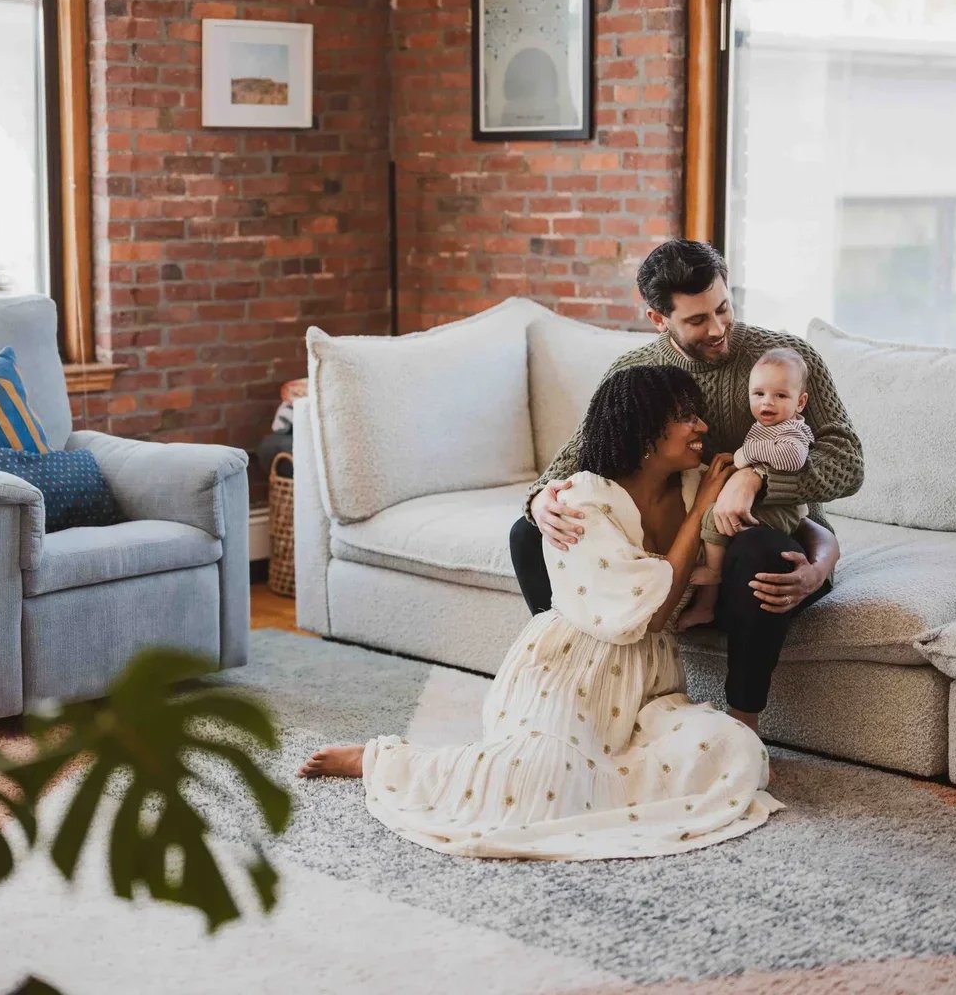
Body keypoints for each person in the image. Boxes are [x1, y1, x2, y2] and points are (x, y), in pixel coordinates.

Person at [298, 367, 782, 860]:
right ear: (645, 431)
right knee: (542, 780)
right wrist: (701, 509)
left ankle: (608, 772)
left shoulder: (701, 483)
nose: (701, 427)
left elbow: (800, 514)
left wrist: (814, 555)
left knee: (734, 750)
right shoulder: (580, 501)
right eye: (685, 418)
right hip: (568, 672)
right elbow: (652, 612)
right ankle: (383, 762)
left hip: (647, 687)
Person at [512, 239, 864, 732]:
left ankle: (743, 727)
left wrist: (755, 476)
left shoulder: (785, 359)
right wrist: (541, 500)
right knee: (530, 533)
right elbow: (574, 459)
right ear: (659, 319)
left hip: (765, 536)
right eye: (697, 320)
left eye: (724, 308)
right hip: (672, 543)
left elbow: (848, 463)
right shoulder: (635, 372)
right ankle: (576, 689)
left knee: (756, 548)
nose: (718, 328)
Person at [676, 348, 815, 631]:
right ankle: (707, 604)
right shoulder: (763, 427)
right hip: (762, 505)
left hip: (783, 511)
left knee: (722, 525)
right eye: (759, 394)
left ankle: (714, 575)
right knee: (714, 519)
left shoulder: (793, 429)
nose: (768, 403)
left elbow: (793, 458)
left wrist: (747, 453)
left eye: (780, 395)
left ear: (800, 403)